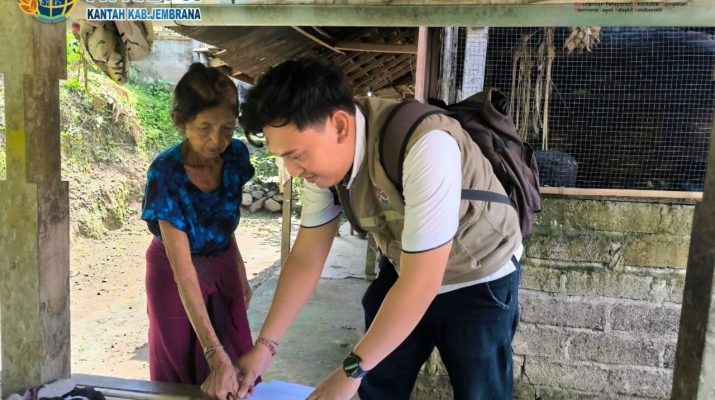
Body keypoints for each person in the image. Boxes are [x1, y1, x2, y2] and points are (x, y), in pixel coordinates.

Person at [235, 58, 523, 400]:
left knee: (481, 391)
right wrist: (265, 347)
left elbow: (422, 283)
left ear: (339, 126)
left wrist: (350, 371)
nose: (292, 169)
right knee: (379, 382)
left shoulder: (425, 144)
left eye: (295, 155)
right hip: (407, 263)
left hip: (479, 273)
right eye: (283, 157)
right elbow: (307, 256)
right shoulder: (321, 167)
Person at [141, 63, 257, 400]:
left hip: (222, 259)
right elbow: (183, 273)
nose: (216, 140)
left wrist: (239, 270)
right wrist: (213, 353)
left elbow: (223, 220)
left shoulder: (235, 157)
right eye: (205, 127)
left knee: (236, 359)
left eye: (227, 129)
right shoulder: (166, 173)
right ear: (181, 121)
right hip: (173, 269)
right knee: (179, 368)